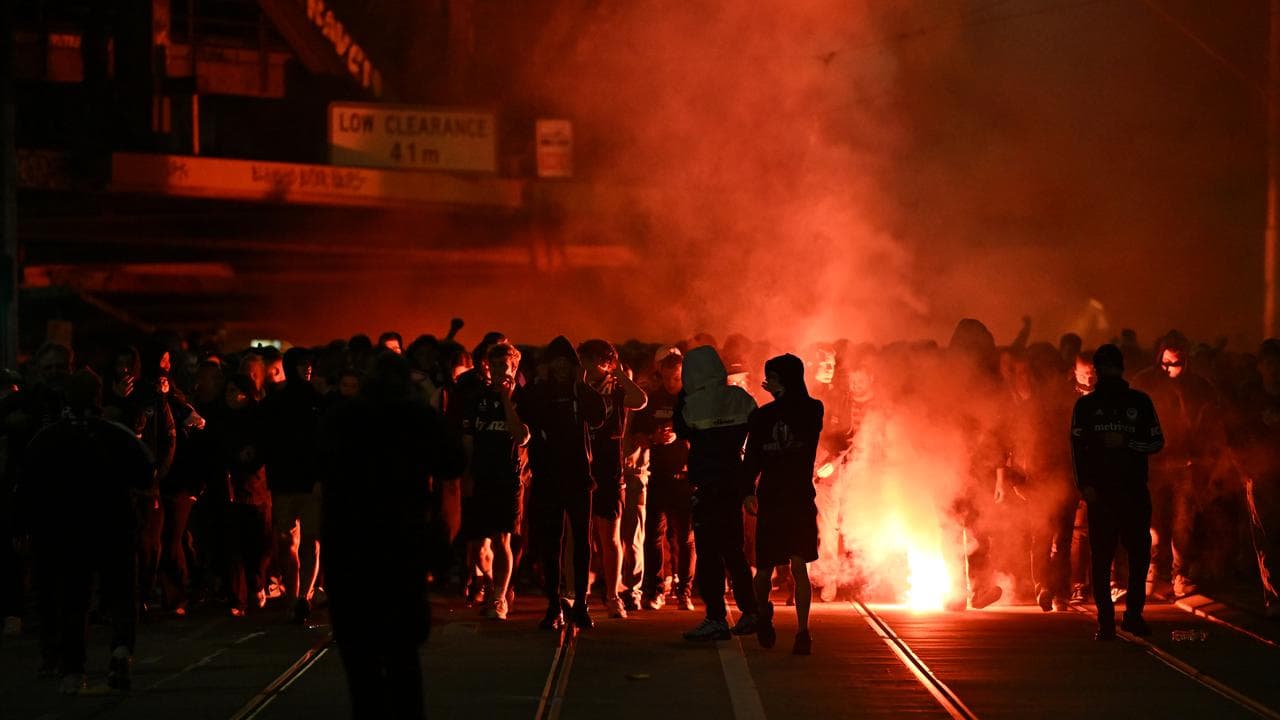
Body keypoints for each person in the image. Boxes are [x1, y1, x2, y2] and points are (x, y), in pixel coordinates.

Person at [320, 353, 466, 719]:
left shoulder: (344, 416)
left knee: (360, 659)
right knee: (403, 654)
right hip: (401, 541)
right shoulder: (417, 417)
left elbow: (319, 463)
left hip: (350, 542)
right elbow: (453, 462)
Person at [23, 369, 154, 693]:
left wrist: (28, 526)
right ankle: (121, 649)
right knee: (122, 593)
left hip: (67, 530)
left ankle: (73, 670)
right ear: (98, 397)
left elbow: (27, 485)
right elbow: (145, 472)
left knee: (73, 598)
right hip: (114, 525)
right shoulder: (116, 433)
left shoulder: (48, 437)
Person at [1071, 344, 1164, 640]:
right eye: (1104, 368)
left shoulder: (1140, 402)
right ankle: (1106, 621)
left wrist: (1125, 443)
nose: (1108, 373)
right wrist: (1084, 485)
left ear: (1121, 369)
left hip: (1133, 490)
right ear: (1096, 372)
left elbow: (1156, 441)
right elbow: (1077, 451)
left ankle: (1133, 615)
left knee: (1138, 555)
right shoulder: (1085, 407)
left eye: (1113, 367)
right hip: (1102, 494)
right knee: (1101, 557)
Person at [517, 336, 607, 630]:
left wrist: (582, 386)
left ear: (573, 366)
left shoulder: (579, 391)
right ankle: (554, 604)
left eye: (564, 363)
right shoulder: (539, 391)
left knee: (582, 541)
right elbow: (525, 413)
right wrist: (539, 384)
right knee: (550, 543)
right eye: (554, 363)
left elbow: (598, 418)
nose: (559, 369)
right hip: (547, 476)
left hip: (579, 477)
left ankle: (580, 603)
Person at [673, 346, 760, 642]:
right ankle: (750, 612)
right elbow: (756, 433)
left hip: (706, 485)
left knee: (709, 554)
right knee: (734, 551)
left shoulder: (690, 403)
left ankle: (715, 618)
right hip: (733, 483)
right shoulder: (740, 397)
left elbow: (682, 431)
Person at [742, 354, 823, 655]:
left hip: (798, 497)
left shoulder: (811, 409)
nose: (770, 382)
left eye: (774, 377)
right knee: (763, 568)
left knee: (800, 565)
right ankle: (763, 612)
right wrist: (748, 489)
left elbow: (801, 416)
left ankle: (803, 631)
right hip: (772, 497)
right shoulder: (763, 417)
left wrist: (780, 397)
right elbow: (752, 458)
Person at [1131, 331, 1220, 598]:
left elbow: (1210, 425)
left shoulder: (1199, 387)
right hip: (1153, 464)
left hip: (1186, 465)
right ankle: (1149, 572)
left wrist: (1205, 459)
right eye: (1165, 362)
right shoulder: (1145, 381)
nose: (1169, 368)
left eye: (1175, 363)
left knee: (1183, 521)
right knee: (1152, 522)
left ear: (1186, 360)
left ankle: (1180, 574)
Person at [462, 343, 531, 621]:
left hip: (510, 477)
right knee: (478, 546)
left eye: (506, 366)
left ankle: (500, 597)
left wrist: (506, 399)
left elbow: (521, 436)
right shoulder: (476, 399)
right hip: (481, 476)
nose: (500, 371)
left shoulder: (524, 399)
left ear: (514, 368)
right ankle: (493, 585)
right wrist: (466, 476)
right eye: (496, 366)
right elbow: (467, 440)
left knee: (503, 539)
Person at [580, 340, 647, 619]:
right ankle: (579, 594)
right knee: (580, 536)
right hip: (581, 465)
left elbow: (640, 401)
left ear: (606, 362)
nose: (585, 365)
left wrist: (619, 374)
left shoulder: (618, 389)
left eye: (590, 360)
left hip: (609, 468)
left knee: (611, 536)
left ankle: (613, 595)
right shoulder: (579, 387)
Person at [261, 347, 324, 622]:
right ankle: (296, 595)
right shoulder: (278, 402)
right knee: (288, 541)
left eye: (309, 364)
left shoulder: (318, 400)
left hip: (309, 481)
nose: (307, 368)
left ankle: (302, 597)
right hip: (286, 481)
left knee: (309, 540)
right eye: (302, 364)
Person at [634, 345, 695, 611]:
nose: (672, 383)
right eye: (668, 377)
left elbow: (706, 436)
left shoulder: (693, 400)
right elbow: (635, 434)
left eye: (677, 378)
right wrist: (653, 438)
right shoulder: (652, 399)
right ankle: (655, 589)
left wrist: (680, 436)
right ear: (661, 373)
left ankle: (685, 591)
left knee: (685, 537)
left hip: (685, 477)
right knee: (654, 536)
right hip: (657, 476)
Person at [1228, 339, 1280, 619]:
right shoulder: (1251, 397)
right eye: (1269, 363)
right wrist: (1245, 469)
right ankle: (1274, 596)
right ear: (1260, 367)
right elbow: (1235, 436)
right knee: (1267, 535)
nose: (1274, 370)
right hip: (1261, 476)